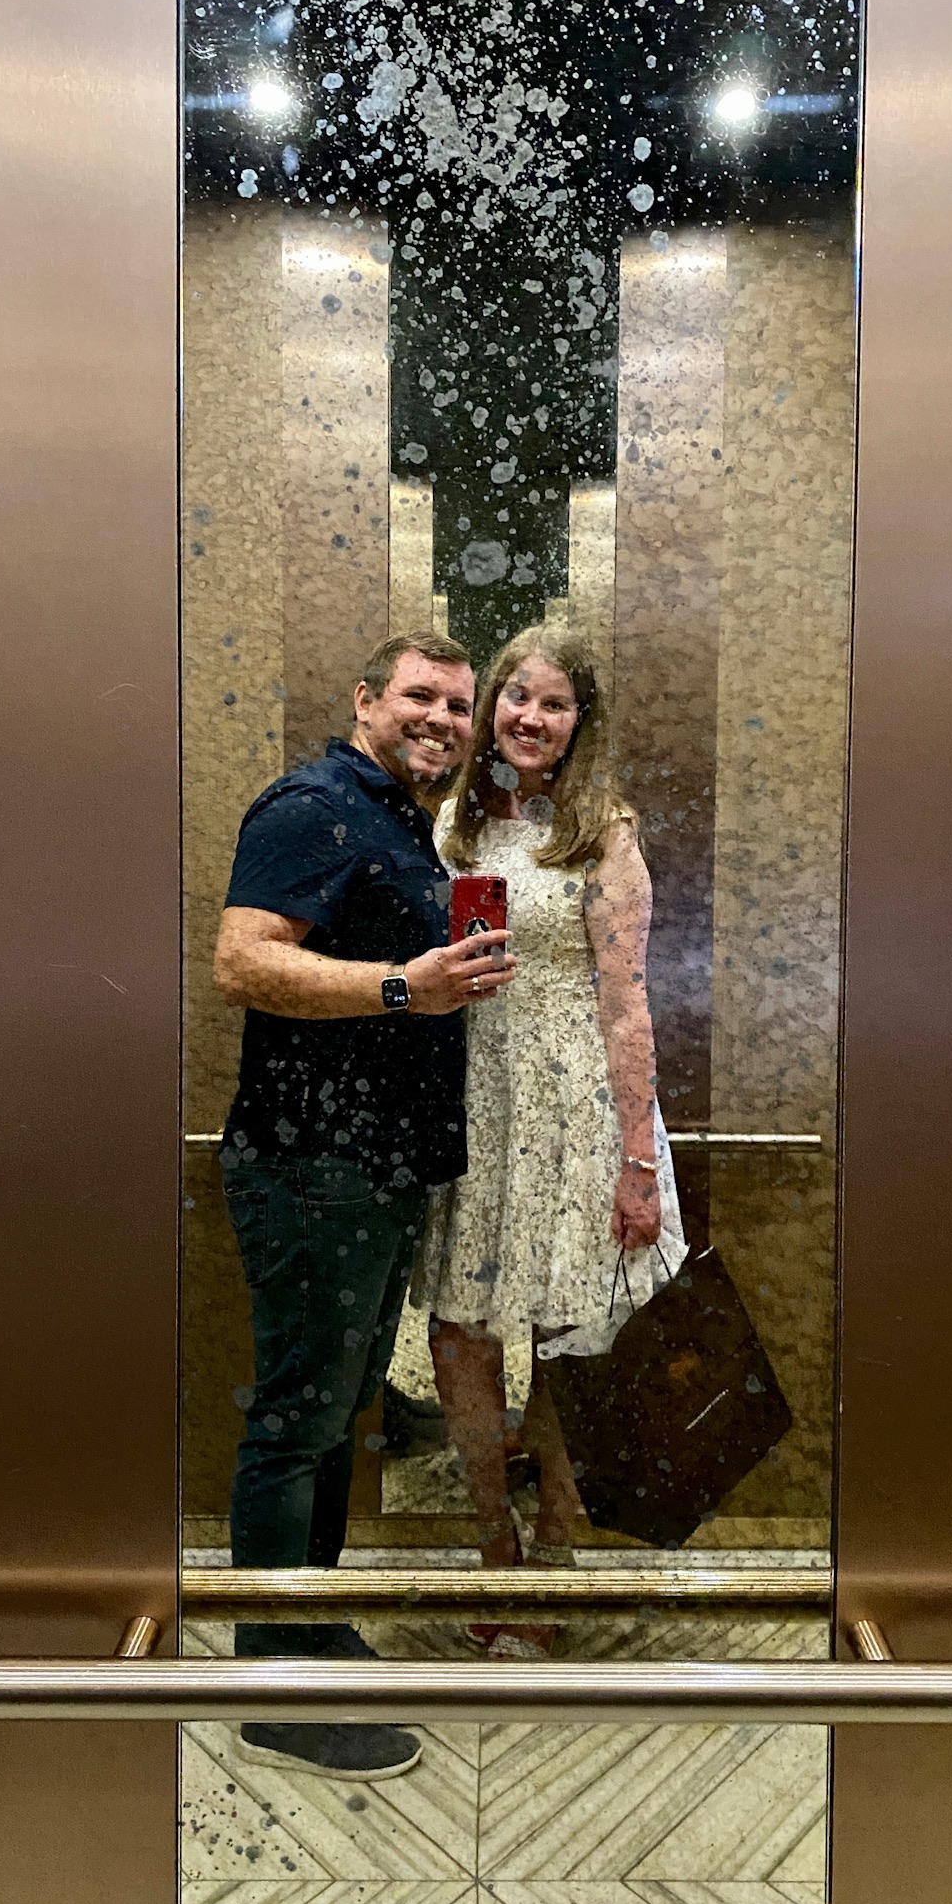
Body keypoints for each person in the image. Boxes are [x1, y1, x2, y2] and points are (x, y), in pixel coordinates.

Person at [212, 630, 516, 1777]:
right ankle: (274, 1685)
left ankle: (309, 1625)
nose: (443, 717)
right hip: (310, 1165)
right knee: (297, 1419)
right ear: (365, 700)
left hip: (372, 1166)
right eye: (421, 697)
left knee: (335, 1411)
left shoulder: (394, 817)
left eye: (458, 703)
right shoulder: (309, 804)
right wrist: (405, 986)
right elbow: (242, 962)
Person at [408, 624, 688, 1655]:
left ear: (580, 724)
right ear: (490, 708)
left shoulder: (601, 831)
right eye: (515, 697)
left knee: (567, 1336)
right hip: (470, 1096)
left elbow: (626, 1003)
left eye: (554, 703)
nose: (529, 718)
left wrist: (635, 1159)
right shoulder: (448, 823)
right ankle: (493, 1543)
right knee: (459, 1330)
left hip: (575, 1104)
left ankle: (561, 1548)